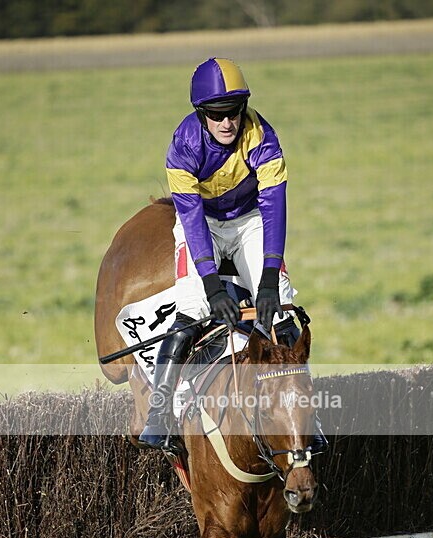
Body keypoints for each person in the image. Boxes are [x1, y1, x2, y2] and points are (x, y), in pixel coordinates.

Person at [140, 57, 327, 455]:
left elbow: (275, 206)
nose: (227, 123)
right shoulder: (183, 146)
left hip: (251, 220)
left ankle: (313, 420)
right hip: (202, 223)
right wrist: (212, 286)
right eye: (217, 115)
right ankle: (158, 414)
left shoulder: (263, 136)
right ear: (201, 114)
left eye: (235, 113)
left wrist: (270, 281)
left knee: (281, 313)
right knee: (190, 312)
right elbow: (190, 218)